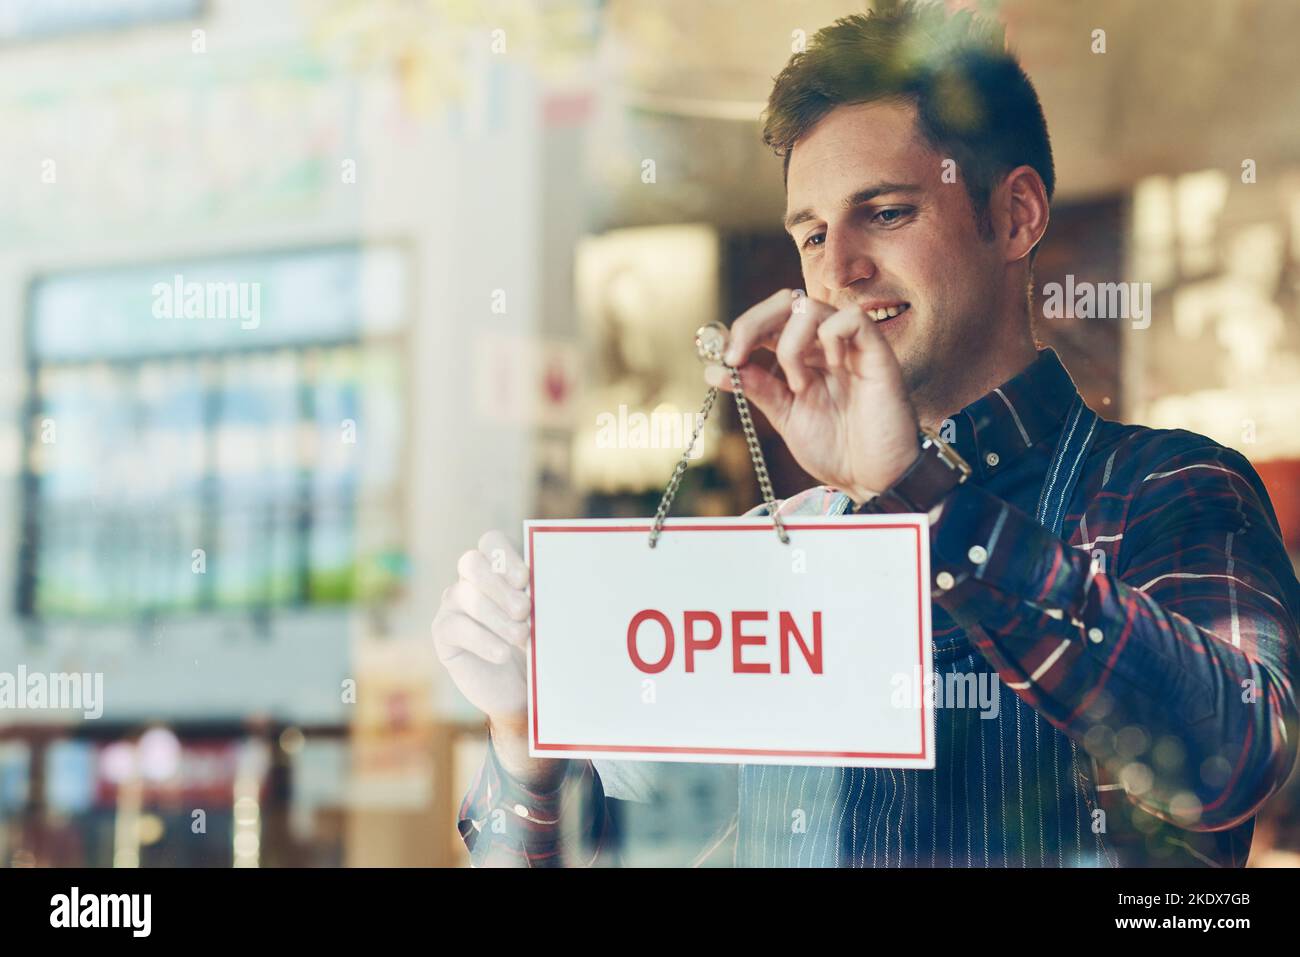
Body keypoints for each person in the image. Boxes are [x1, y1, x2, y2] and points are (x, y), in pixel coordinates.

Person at [433, 1, 1299, 867]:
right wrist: (526, 738)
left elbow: (1233, 758)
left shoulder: (1166, 489)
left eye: (884, 212)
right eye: (811, 233)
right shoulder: (773, 554)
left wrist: (923, 496)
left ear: (1017, 215)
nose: (838, 268)